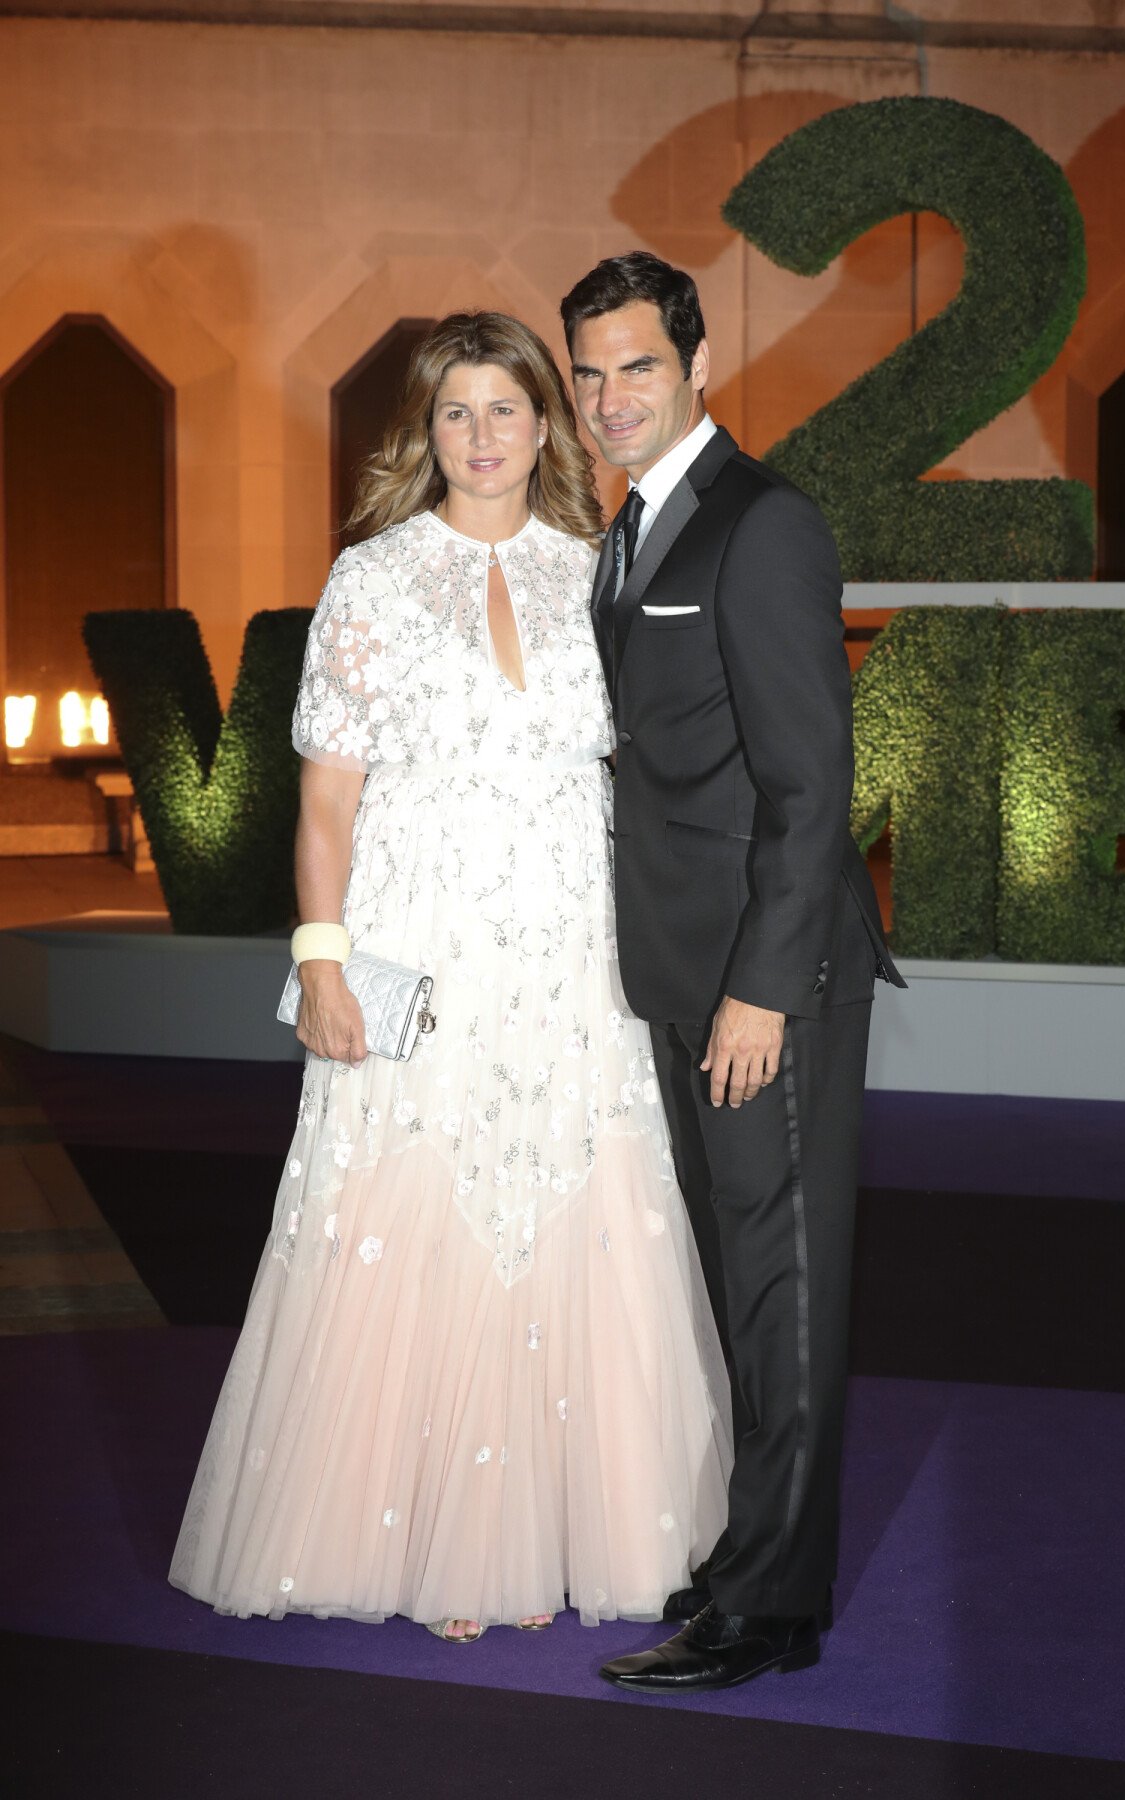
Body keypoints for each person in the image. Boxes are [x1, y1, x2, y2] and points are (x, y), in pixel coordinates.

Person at [169, 311, 732, 1641]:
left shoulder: (598, 572)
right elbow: (324, 806)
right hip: (412, 942)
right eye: (454, 415)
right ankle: (423, 1544)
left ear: (551, 423)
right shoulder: (370, 582)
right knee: (412, 1209)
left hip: (572, 951)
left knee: (575, 1207)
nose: (481, 437)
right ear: (426, 436)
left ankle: (549, 1534)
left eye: (505, 409)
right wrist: (319, 963)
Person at [559, 253, 904, 1692]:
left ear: (697, 363)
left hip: (772, 981)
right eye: (588, 373)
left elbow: (812, 787)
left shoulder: (763, 527)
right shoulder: (631, 534)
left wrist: (761, 989)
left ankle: (771, 1608)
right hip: (685, 974)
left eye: (637, 365)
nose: (609, 398)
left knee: (783, 1285)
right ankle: (754, 1547)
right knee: (735, 1278)